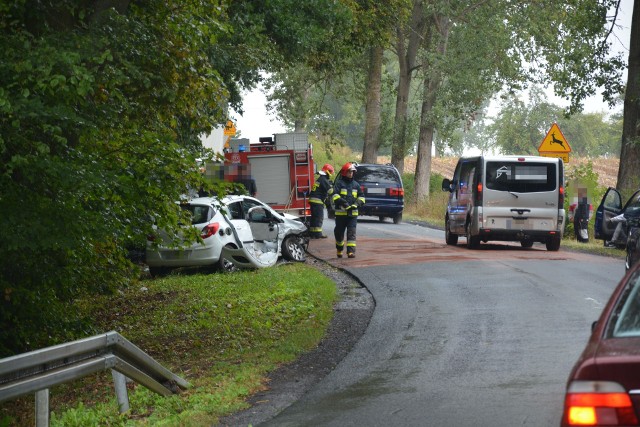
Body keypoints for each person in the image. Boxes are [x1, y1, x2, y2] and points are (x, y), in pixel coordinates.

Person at [332, 162, 365, 258]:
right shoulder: (339, 184)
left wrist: (356, 204)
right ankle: (339, 248)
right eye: (349, 172)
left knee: (351, 233)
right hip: (340, 215)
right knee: (339, 233)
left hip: (352, 215)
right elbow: (334, 195)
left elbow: (362, 197)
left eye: (352, 172)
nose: (351, 174)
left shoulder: (356, 185)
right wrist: (344, 203)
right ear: (344, 172)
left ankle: (351, 252)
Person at [308, 163, 334, 238]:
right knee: (319, 217)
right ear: (327, 172)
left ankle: (312, 233)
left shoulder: (320, 179)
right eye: (330, 172)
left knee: (314, 217)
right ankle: (318, 234)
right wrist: (334, 188)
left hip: (313, 201)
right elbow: (330, 191)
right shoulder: (324, 180)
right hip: (317, 201)